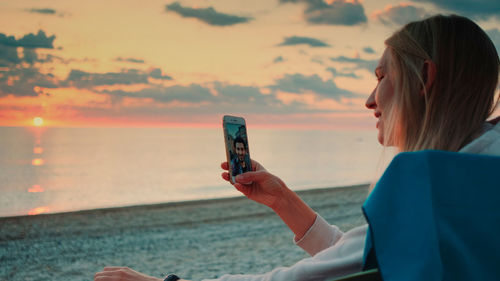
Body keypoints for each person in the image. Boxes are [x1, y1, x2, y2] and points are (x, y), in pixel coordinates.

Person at [94, 14, 500, 281]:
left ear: (424, 78)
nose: (371, 99)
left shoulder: (429, 187)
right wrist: (284, 200)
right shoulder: (478, 173)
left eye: (382, 76)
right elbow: (368, 259)